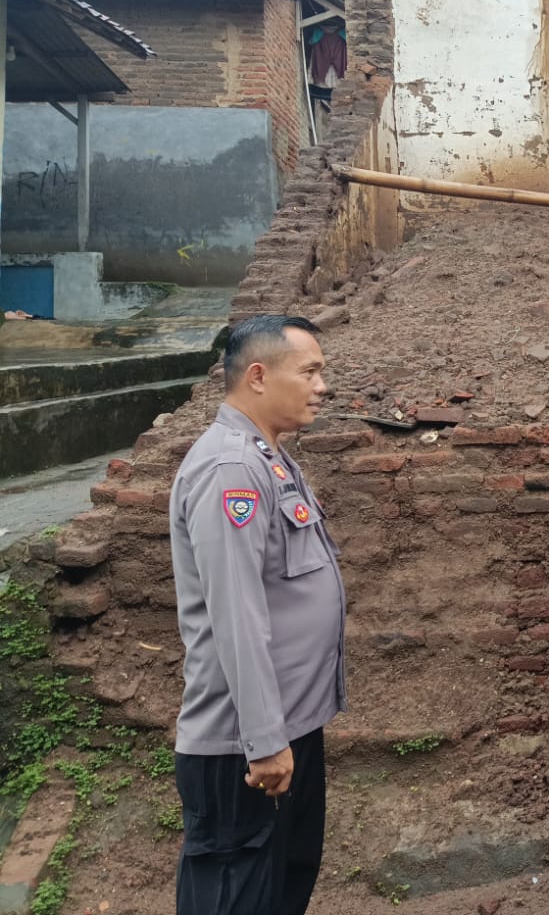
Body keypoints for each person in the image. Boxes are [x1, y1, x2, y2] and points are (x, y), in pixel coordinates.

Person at [168, 314, 345, 915]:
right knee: (235, 896)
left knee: (281, 888)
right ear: (260, 376)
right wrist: (265, 741)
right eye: (310, 372)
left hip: (287, 728)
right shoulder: (232, 471)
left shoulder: (269, 458)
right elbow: (236, 616)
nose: (322, 386)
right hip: (244, 746)